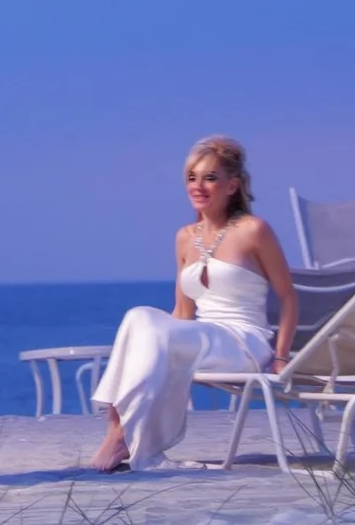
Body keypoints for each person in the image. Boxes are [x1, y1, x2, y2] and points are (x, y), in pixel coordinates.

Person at [88, 135, 297, 472]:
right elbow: (183, 313)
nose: (198, 186)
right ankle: (119, 426)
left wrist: (282, 356)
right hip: (202, 336)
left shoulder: (253, 230)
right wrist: (158, 340)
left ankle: (122, 436)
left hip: (244, 342)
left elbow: (288, 296)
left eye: (210, 178)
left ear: (232, 186)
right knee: (139, 315)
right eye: (191, 177)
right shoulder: (185, 236)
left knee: (153, 329)